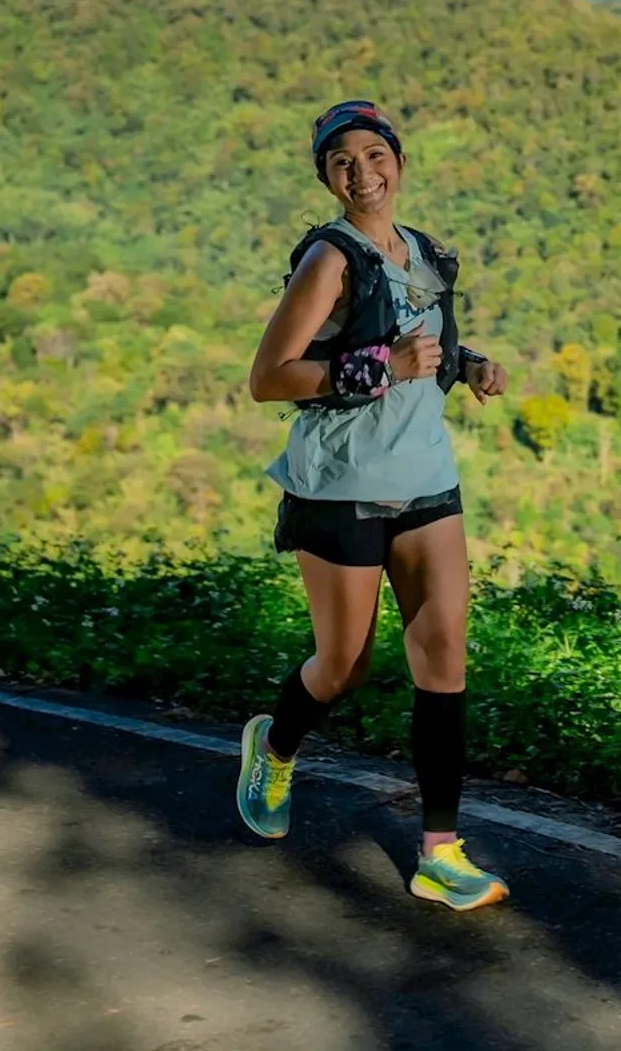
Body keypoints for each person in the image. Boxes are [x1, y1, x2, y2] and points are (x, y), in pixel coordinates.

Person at [238, 99, 512, 911]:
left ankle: (440, 852)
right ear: (326, 178)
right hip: (343, 484)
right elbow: (270, 377)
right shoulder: (329, 257)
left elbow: (422, 341)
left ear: (398, 158)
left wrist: (470, 365)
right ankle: (275, 745)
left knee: (445, 654)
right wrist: (379, 368)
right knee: (344, 666)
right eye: (341, 162)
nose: (362, 173)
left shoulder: (423, 250)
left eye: (373, 154)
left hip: (426, 475)